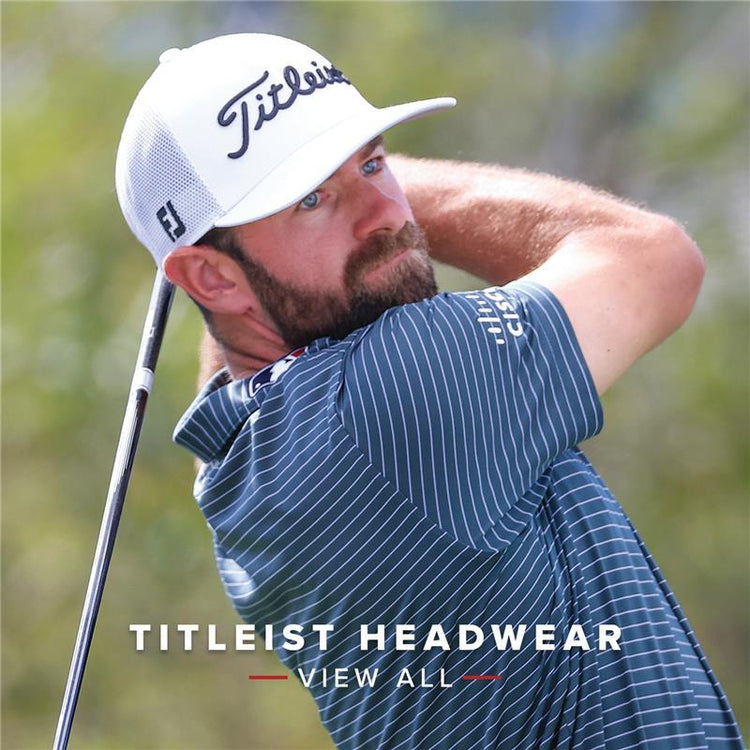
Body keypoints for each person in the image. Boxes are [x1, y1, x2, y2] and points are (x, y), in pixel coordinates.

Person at [116, 33, 744, 750]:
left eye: (375, 162)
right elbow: (656, 260)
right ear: (210, 277)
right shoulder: (396, 390)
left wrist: (314, 177)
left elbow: (229, 345)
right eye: (312, 198)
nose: (387, 212)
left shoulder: (233, 466)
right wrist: (371, 163)